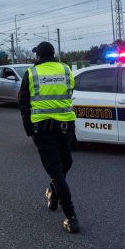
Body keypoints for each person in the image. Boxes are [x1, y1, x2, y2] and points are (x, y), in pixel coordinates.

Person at [19, 41, 79, 234]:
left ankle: (53, 192)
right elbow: (70, 93)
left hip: (45, 131)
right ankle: (71, 217)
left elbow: (24, 103)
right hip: (64, 129)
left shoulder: (31, 73)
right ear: (53, 54)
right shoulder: (66, 69)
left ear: (38, 56)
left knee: (61, 169)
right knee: (60, 170)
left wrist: (29, 129)